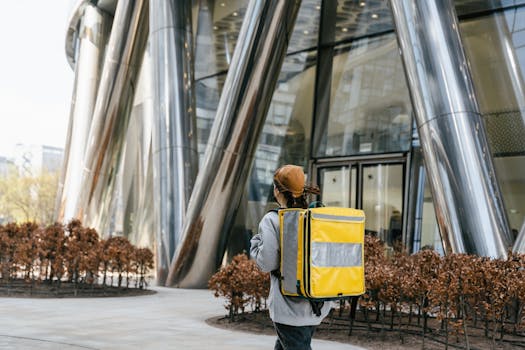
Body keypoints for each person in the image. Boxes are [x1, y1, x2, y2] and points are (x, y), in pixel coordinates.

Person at [250, 165, 332, 350]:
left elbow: (266, 263)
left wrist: (255, 244)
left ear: (277, 190)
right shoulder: (314, 217)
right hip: (315, 304)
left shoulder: (272, 220)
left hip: (289, 309)